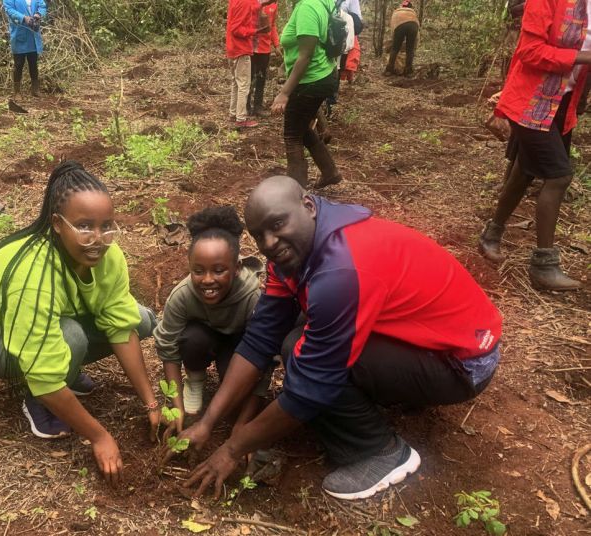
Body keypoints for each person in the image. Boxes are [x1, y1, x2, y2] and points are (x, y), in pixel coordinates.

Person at [168, 176, 503, 501]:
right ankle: (385, 396)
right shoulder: (293, 253)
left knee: (306, 359)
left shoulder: (340, 270)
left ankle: (382, 452)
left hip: (464, 362)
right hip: (428, 339)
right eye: (259, 235)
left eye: (278, 223)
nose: (269, 242)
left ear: (309, 206)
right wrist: (208, 422)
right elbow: (260, 338)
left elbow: (313, 384)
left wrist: (232, 449)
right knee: (294, 339)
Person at [0, 161, 160, 483]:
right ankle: (40, 399)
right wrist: (100, 437)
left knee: (140, 320)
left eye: (106, 225)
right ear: (57, 223)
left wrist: (151, 403)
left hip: (41, 325)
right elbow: (45, 367)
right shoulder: (34, 271)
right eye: (84, 226)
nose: (98, 238)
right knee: (70, 338)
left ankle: (65, 368)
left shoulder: (108, 256)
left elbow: (121, 327)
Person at [478, 0, 591, 290]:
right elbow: (529, 52)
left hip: (563, 105)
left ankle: (491, 234)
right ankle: (544, 265)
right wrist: (584, 57)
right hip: (531, 100)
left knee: (523, 172)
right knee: (559, 175)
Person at [153, 206, 270, 434]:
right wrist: (177, 410)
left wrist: (243, 426)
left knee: (236, 390)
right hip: (204, 337)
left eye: (218, 270)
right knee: (192, 339)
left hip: (241, 343)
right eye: (198, 271)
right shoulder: (183, 295)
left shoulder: (253, 297)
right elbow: (168, 348)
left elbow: (264, 358)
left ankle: (227, 381)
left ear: (236, 268)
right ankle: (195, 380)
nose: (207, 280)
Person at [272, 0, 342, 188]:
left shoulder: (307, 8)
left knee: (292, 136)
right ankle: (330, 172)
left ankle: (295, 194)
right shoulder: (321, 2)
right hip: (323, 74)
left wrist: (284, 93)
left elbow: (306, 55)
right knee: (302, 128)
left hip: (310, 80)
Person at [227, 0, 261, 128]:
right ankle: (240, 119)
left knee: (236, 83)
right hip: (240, 48)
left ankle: (233, 114)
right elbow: (236, 29)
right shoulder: (245, 2)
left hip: (232, 47)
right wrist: (254, 31)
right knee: (243, 84)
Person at [3, 0, 46, 96]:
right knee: (18, 64)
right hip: (19, 33)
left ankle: (35, 90)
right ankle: (17, 92)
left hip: (33, 35)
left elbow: (42, 5)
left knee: (33, 63)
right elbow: (9, 10)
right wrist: (23, 18)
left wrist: (38, 14)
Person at [248, 0, 281, 117]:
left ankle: (258, 106)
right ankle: (246, 106)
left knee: (261, 78)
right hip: (250, 47)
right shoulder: (252, 2)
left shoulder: (274, 4)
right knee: (248, 78)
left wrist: (276, 45)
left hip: (264, 49)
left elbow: (272, 25)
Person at [384, 1, 419, 77]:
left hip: (400, 25)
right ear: (410, 7)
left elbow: (393, 27)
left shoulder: (396, 12)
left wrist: (394, 40)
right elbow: (417, 29)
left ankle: (389, 70)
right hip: (413, 25)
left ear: (402, 6)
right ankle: (409, 71)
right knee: (410, 49)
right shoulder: (413, 12)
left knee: (395, 48)